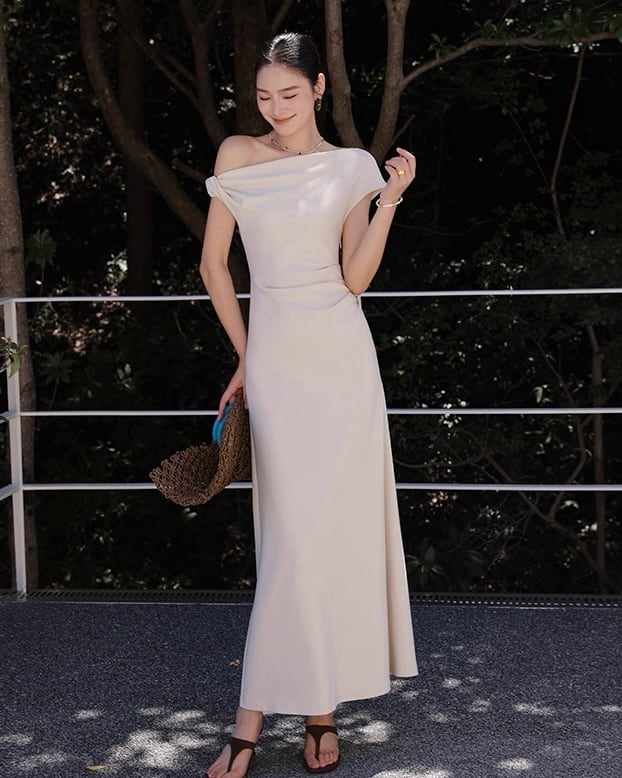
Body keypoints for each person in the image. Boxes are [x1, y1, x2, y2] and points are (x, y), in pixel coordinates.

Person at [200, 31, 417, 778]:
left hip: (342, 362)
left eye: (290, 94)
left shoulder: (352, 166)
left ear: (319, 88)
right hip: (277, 360)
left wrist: (388, 201)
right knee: (290, 542)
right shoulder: (238, 155)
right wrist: (246, 355)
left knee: (328, 539)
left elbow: (354, 279)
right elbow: (213, 266)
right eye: (264, 95)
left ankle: (319, 713)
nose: (277, 107)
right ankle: (252, 720)